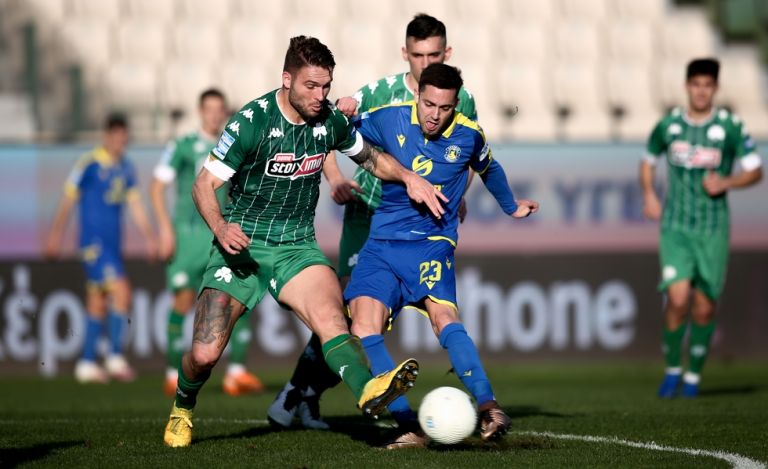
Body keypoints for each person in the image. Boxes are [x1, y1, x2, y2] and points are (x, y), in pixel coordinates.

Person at [162, 35, 446, 448]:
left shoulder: (328, 121)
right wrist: (221, 228)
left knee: (333, 320)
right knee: (204, 355)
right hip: (242, 245)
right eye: (311, 86)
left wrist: (408, 177)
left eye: (326, 86)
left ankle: (368, 389)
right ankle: (183, 406)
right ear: (287, 80)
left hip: (296, 245)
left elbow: (369, 157)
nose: (320, 95)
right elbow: (203, 185)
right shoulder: (251, 123)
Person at [268, 12, 477, 434]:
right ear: (405, 53)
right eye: (417, 55)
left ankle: (304, 393)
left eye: (433, 55)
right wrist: (334, 178)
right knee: (347, 311)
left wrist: (458, 195)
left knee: (366, 319)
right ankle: (297, 391)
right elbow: (328, 126)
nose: (425, 63)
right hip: (368, 213)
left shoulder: (460, 99)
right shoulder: (379, 93)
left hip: (419, 225)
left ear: (447, 53)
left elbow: (468, 154)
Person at [641, 58, 762, 398]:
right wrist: (649, 194)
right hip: (676, 227)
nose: (701, 91)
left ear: (715, 88)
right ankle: (672, 371)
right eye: (696, 84)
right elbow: (648, 161)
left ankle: (693, 376)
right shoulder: (669, 126)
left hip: (713, 229)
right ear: (687, 86)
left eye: (707, 85)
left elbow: (755, 169)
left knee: (705, 306)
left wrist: (727, 181)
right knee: (678, 299)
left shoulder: (730, 126)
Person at [150, 88, 264, 397]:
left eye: (219, 110)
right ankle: (173, 373)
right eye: (209, 109)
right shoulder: (183, 145)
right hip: (187, 238)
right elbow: (157, 187)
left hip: (220, 235)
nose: (214, 115)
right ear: (200, 111)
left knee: (235, 299)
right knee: (183, 302)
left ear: (225, 113)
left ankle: (236, 373)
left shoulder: (232, 143)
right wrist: (165, 230)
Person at [45, 114, 156, 383]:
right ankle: (115, 357)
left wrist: (150, 237)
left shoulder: (126, 168)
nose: (119, 141)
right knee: (122, 290)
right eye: (115, 135)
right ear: (106, 136)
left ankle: (86, 363)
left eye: (123, 136)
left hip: (113, 245)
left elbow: (135, 205)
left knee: (97, 302)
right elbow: (68, 200)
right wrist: (55, 236)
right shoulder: (89, 164)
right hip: (93, 243)